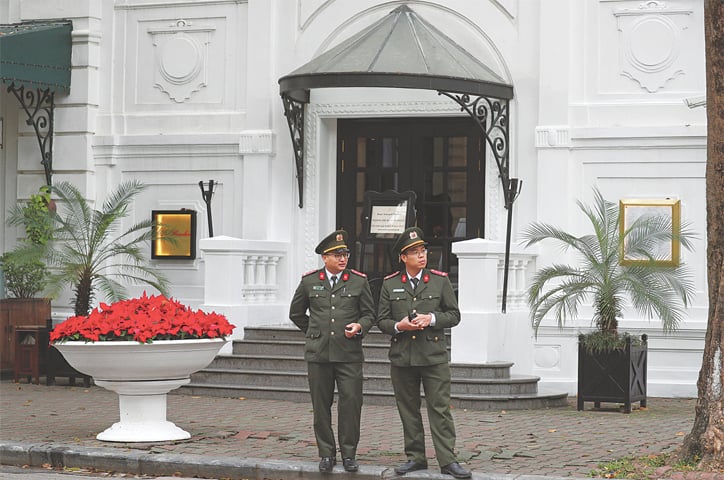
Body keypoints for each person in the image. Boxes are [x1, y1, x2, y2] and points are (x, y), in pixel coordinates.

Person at [376, 227, 471, 479]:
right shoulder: (390, 284)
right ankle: (415, 458)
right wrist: (399, 326)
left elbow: (454, 315)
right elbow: (382, 320)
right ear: (402, 257)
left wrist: (431, 318)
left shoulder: (439, 280)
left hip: (433, 357)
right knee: (408, 409)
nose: (421, 255)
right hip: (403, 357)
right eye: (415, 252)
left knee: (439, 409)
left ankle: (447, 460)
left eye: (423, 250)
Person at [289, 229, 375, 473]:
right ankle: (326, 453)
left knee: (350, 404)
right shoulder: (309, 281)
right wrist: (314, 332)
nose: (342, 258)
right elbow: (296, 313)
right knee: (321, 405)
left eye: (345, 254)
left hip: (349, 354)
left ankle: (349, 454)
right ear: (324, 258)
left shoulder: (359, 281)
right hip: (319, 354)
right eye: (336, 255)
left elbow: (370, 314)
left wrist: (360, 326)